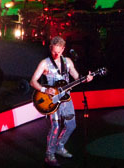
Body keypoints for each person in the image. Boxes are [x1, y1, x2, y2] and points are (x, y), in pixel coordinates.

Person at [30, 36, 93, 166]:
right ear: (50, 48)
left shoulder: (68, 62)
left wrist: (86, 78)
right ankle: (49, 154)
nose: (56, 54)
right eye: (53, 51)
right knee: (56, 126)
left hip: (66, 98)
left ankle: (59, 146)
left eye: (58, 52)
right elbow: (32, 81)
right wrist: (44, 89)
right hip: (52, 100)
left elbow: (76, 77)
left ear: (63, 49)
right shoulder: (44, 63)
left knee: (71, 125)